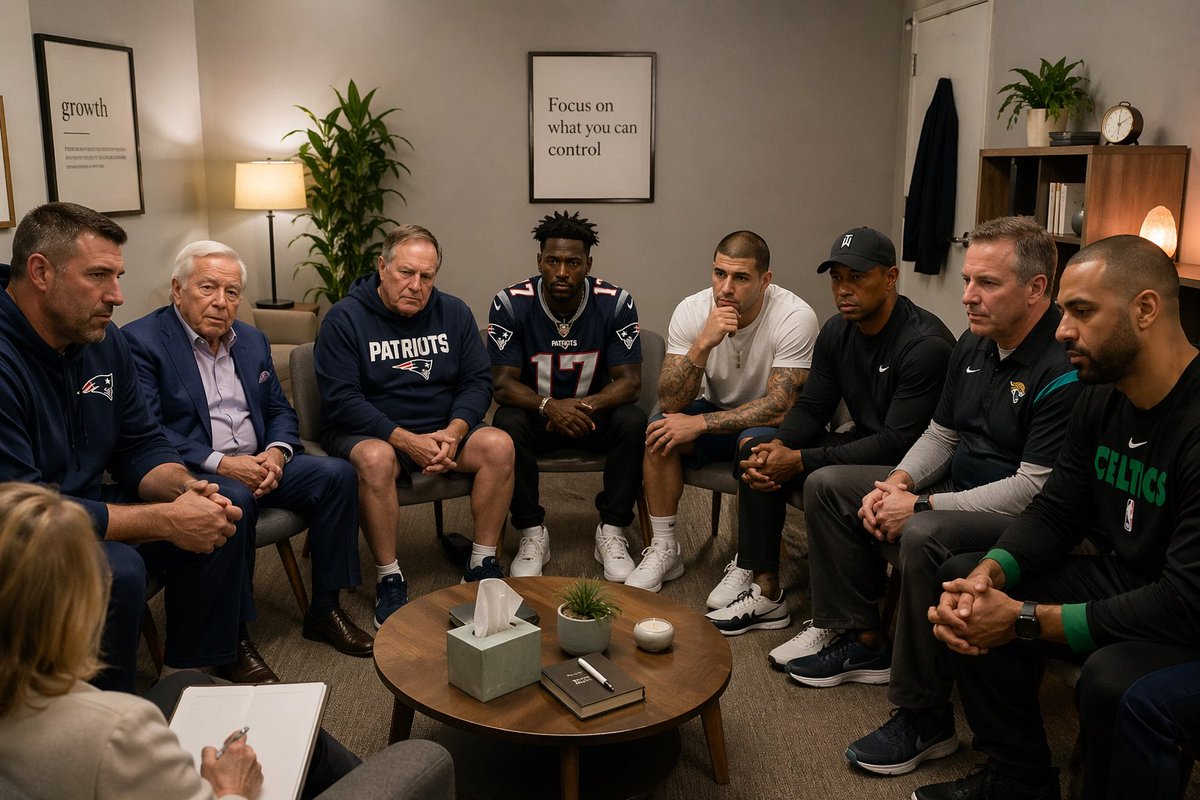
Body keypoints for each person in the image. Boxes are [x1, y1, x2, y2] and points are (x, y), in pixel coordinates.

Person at [785, 216, 1083, 778]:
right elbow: (942, 434)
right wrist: (899, 482)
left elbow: (1031, 490)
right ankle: (861, 635)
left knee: (922, 533)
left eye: (986, 283)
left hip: (1017, 515)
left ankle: (924, 716)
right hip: (957, 490)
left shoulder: (1062, 367)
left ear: (1038, 289)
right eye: (968, 279)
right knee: (827, 484)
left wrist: (919, 506)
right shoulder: (974, 341)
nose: (967, 295)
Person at [919, 235, 1200, 800]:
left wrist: (1025, 618)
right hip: (1140, 581)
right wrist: (989, 577)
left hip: (1190, 611)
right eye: (1064, 310)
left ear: (1146, 309)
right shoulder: (1102, 394)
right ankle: (1018, 779)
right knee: (969, 584)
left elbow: (1184, 602)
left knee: (1116, 682)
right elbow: (1057, 511)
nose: (1062, 330)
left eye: (1082, 311)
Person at [0, 481, 390, 800]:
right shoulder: (120, 730)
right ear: (69, 610)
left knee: (185, 683)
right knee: (307, 744)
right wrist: (233, 787)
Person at [0, 202, 253, 691]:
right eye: (98, 276)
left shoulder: (102, 341)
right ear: (40, 272)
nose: (117, 296)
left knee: (226, 504)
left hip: (85, 503)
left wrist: (185, 487)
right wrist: (162, 520)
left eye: (117, 276)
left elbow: (139, 444)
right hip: (21, 530)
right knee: (115, 568)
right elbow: (22, 513)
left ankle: (185, 680)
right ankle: (106, 727)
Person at [123, 241, 374, 661]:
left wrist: (276, 453)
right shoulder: (142, 342)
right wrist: (223, 464)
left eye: (232, 292)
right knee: (233, 499)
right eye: (208, 288)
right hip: (194, 471)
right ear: (177, 289)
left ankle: (326, 608)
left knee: (338, 474)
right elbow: (149, 430)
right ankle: (233, 637)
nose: (221, 303)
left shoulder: (253, 340)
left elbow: (278, 408)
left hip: (259, 463)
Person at [705, 227, 954, 637]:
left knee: (813, 473)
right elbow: (812, 406)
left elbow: (900, 441)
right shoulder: (838, 331)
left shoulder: (924, 345)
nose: (844, 290)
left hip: (909, 464)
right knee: (756, 445)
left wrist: (799, 459)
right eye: (837, 278)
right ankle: (765, 587)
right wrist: (780, 445)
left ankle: (846, 621)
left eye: (858, 277)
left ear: (890, 278)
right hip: (864, 442)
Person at [315, 224, 514, 627]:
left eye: (426, 276)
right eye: (406, 273)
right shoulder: (344, 319)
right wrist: (406, 440)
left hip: (442, 431)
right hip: (371, 431)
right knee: (374, 458)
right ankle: (389, 577)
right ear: (382, 267)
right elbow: (342, 400)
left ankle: (481, 563)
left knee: (499, 445)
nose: (415, 285)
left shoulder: (454, 312)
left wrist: (455, 431)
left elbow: (477, 382)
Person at [631, 229, 819, 593]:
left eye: (741, 278)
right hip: (718, 408)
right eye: (720, 274)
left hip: (769, 426)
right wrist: (702, 344)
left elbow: (780, 407)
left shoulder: (795, 316)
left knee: (754, 442)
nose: (726, 288)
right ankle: (665, 547)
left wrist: (700, 423)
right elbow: (671, 400)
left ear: (765, 280)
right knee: (659, 430)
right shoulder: (693, 309)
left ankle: (749, 561)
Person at [488, 211, 645, 579]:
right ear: (539, 260)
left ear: (588, 264)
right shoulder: (510, 303)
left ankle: (612, 529)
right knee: (506, 420)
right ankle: (531, 532)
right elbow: (502, 384)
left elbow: (630, 382)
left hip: (591, 417)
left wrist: (579, 408)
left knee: (632, 420)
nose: (562, 271)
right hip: (537, 419)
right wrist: (548, 407)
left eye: (573, 262)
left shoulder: (616, 302)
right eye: (553, 260)